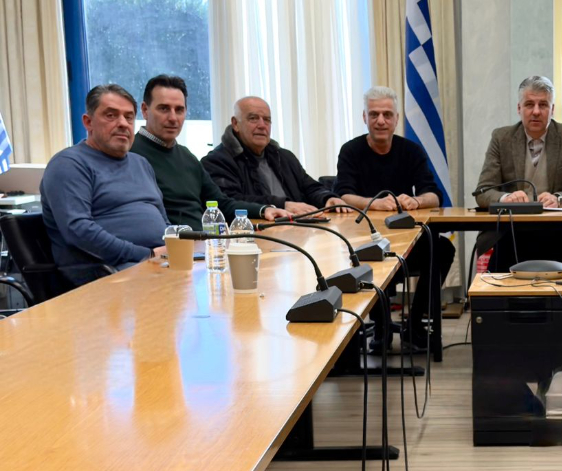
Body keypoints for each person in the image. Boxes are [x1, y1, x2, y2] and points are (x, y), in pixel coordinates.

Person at [334, 86, 456, 344]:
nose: (381, 120)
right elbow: (342, 195)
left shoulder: (411, 150)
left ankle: (416, 322)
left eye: (387, 114)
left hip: (406, 241)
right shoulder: (350, 151)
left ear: (397, 119)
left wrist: (416, 200)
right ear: (364, 117)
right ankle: (381, 327)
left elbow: (434, 195)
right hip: (364, 242)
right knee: (371, 258)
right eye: (374, 114)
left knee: (443, 249)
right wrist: (374, 203)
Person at [40, 84, 169, 284]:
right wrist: (146, 254)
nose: (123, 123)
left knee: (214, 271)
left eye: (129, 117)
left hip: (156, 261)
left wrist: (179, 244)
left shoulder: (141, 163)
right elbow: (79, 230)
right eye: (111, 115)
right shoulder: (69, 164)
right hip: (105, 271)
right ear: (88, 122)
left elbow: (163, 222)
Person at [129, 75, 289, 230]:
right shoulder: (130, 154)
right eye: (164, 109)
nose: (173, 118)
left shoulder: (187, 156)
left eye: (179, 110)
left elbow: (221, 203)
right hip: (167, 244)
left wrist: (264, 210)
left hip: (203, 241)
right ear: (145, 110)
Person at [474, 75, 562, 272]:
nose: (536, 111)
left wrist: (559, 199)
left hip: (561, 233)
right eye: (529, 104)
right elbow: (483, 191)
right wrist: (506, 199)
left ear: (552, 109)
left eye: (543, 105)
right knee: (496, 282)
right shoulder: (501, 138)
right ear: (519, 108)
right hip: (512, 233)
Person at [201, 96, 345, 216]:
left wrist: (328, 198)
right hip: (254, 233)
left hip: (297, 228)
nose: (262, 125)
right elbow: (229, 202)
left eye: (267, 120)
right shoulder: (217, 161)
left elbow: (310, 187)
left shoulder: (284, 156)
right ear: (235, 124)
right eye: (253, 118)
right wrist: (282, 205)